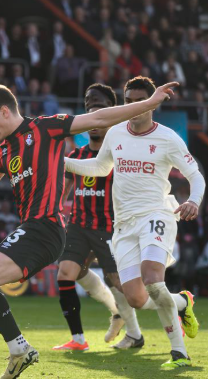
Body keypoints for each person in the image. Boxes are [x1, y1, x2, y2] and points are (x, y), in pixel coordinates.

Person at [0, 79, 181, 379]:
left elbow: (100, 118)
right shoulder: (3, 149)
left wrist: (150, 102)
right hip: (33, 228)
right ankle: (19, 349)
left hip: (46, 227)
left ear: (6, 111)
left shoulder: (47, 128)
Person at [64, 76, 205, 369]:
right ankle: (182, 303)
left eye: (140, 100)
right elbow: (101, 167)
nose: (134, 106)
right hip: (124, 226)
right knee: (138, 298)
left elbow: (195, 175)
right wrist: (61, 162)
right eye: (128, 101)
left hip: (157, 215)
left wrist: (194, 200)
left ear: (152, 102)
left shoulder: (167, 138)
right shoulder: (115, 133)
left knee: (153, 279)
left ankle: (179, 352)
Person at [54, 83, 143, 352]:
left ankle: (136, 332)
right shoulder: (77, 155)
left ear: (112, 113)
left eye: (100, 109)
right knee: (67, 274)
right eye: (89, 109)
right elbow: (64, 191)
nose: (93, 116)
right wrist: (54, 212)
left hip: (110, 227)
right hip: (79, 226)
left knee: (121, 284)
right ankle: (79, 339)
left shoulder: (121, 154)